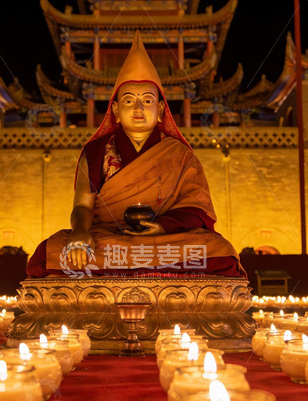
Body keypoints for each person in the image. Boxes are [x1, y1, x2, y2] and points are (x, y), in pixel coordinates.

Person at [26, 32, 243, 278]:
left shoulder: (180, 154)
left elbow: (197, 209)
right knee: (51, 251)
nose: (138, 108)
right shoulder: (96, 152)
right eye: (129, 101)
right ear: (116, 110)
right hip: (109, 239)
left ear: (160, 109)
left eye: (147, 100)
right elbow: (82, 206)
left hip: (164, 240)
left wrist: (161, 226)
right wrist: (80, 232)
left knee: (220, 250)